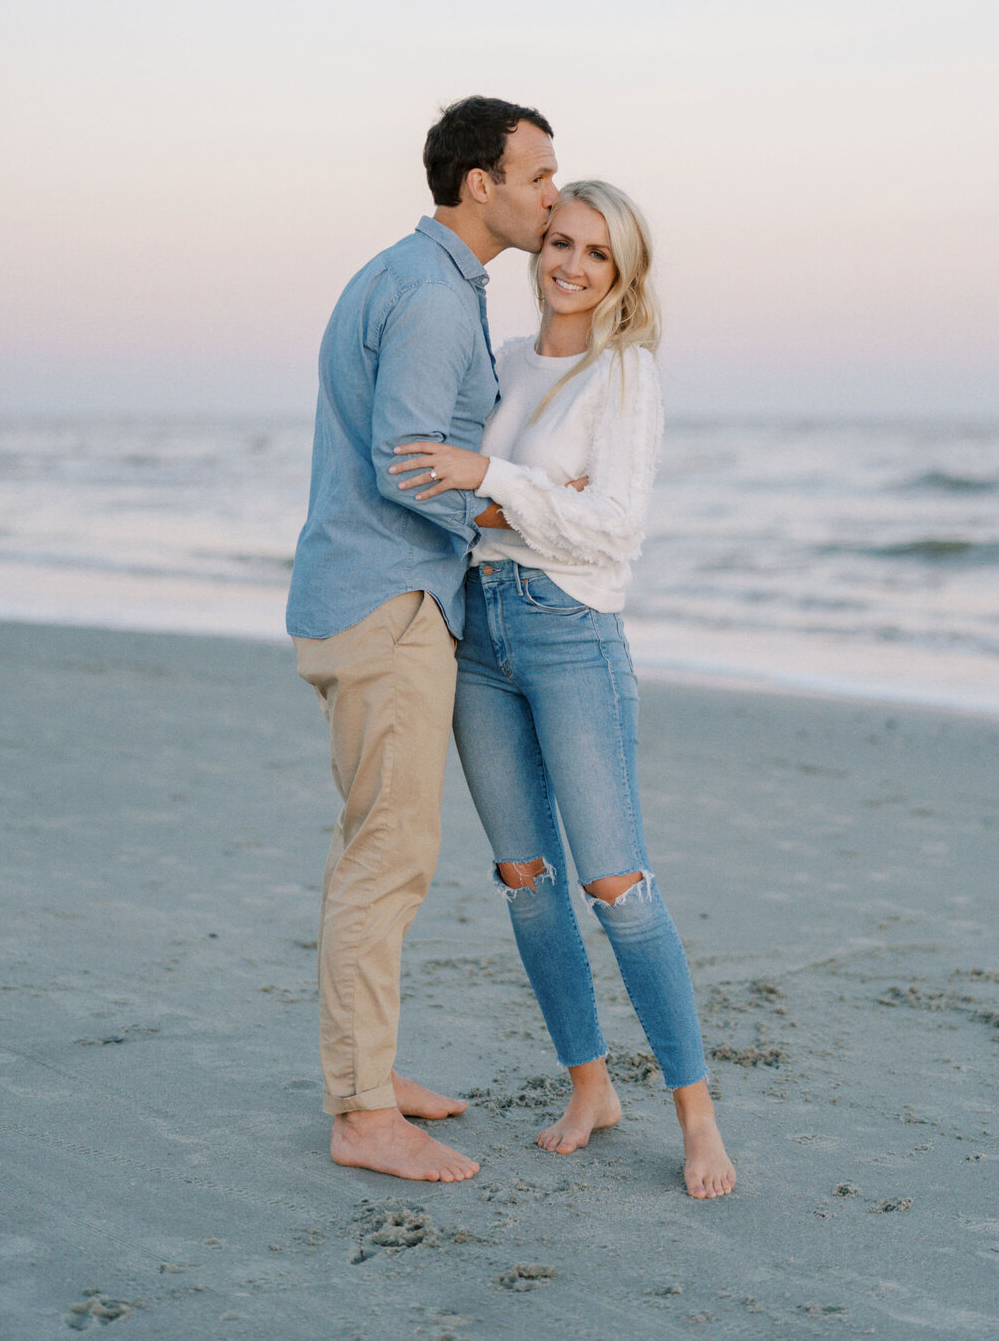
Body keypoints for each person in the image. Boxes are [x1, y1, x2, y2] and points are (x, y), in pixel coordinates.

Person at [389, 181, 736, 1198]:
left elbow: (614, 529)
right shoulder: (502, 366)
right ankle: (591, 1087)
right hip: (481, 629)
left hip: (571, 635)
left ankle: (697, 1113)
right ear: (537, 250)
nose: (571, 264)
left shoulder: (625, 375)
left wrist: (495, 482)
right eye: (560, 242)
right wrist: (528, 496)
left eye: (596, 252)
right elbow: (469, 501)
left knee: (616, 886)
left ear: (623, 274)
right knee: (523, 880)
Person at [286, 95, 559, 1182]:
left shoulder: (406, 277)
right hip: (389, 606)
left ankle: (373, 1071)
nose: (552, 193)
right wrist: (521, 511)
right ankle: (361, 1115)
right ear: (479, 183)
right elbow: (414, 461)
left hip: (364, 596)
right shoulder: (437, 301)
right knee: (387, 859)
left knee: (382, 849)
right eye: (537, 175)